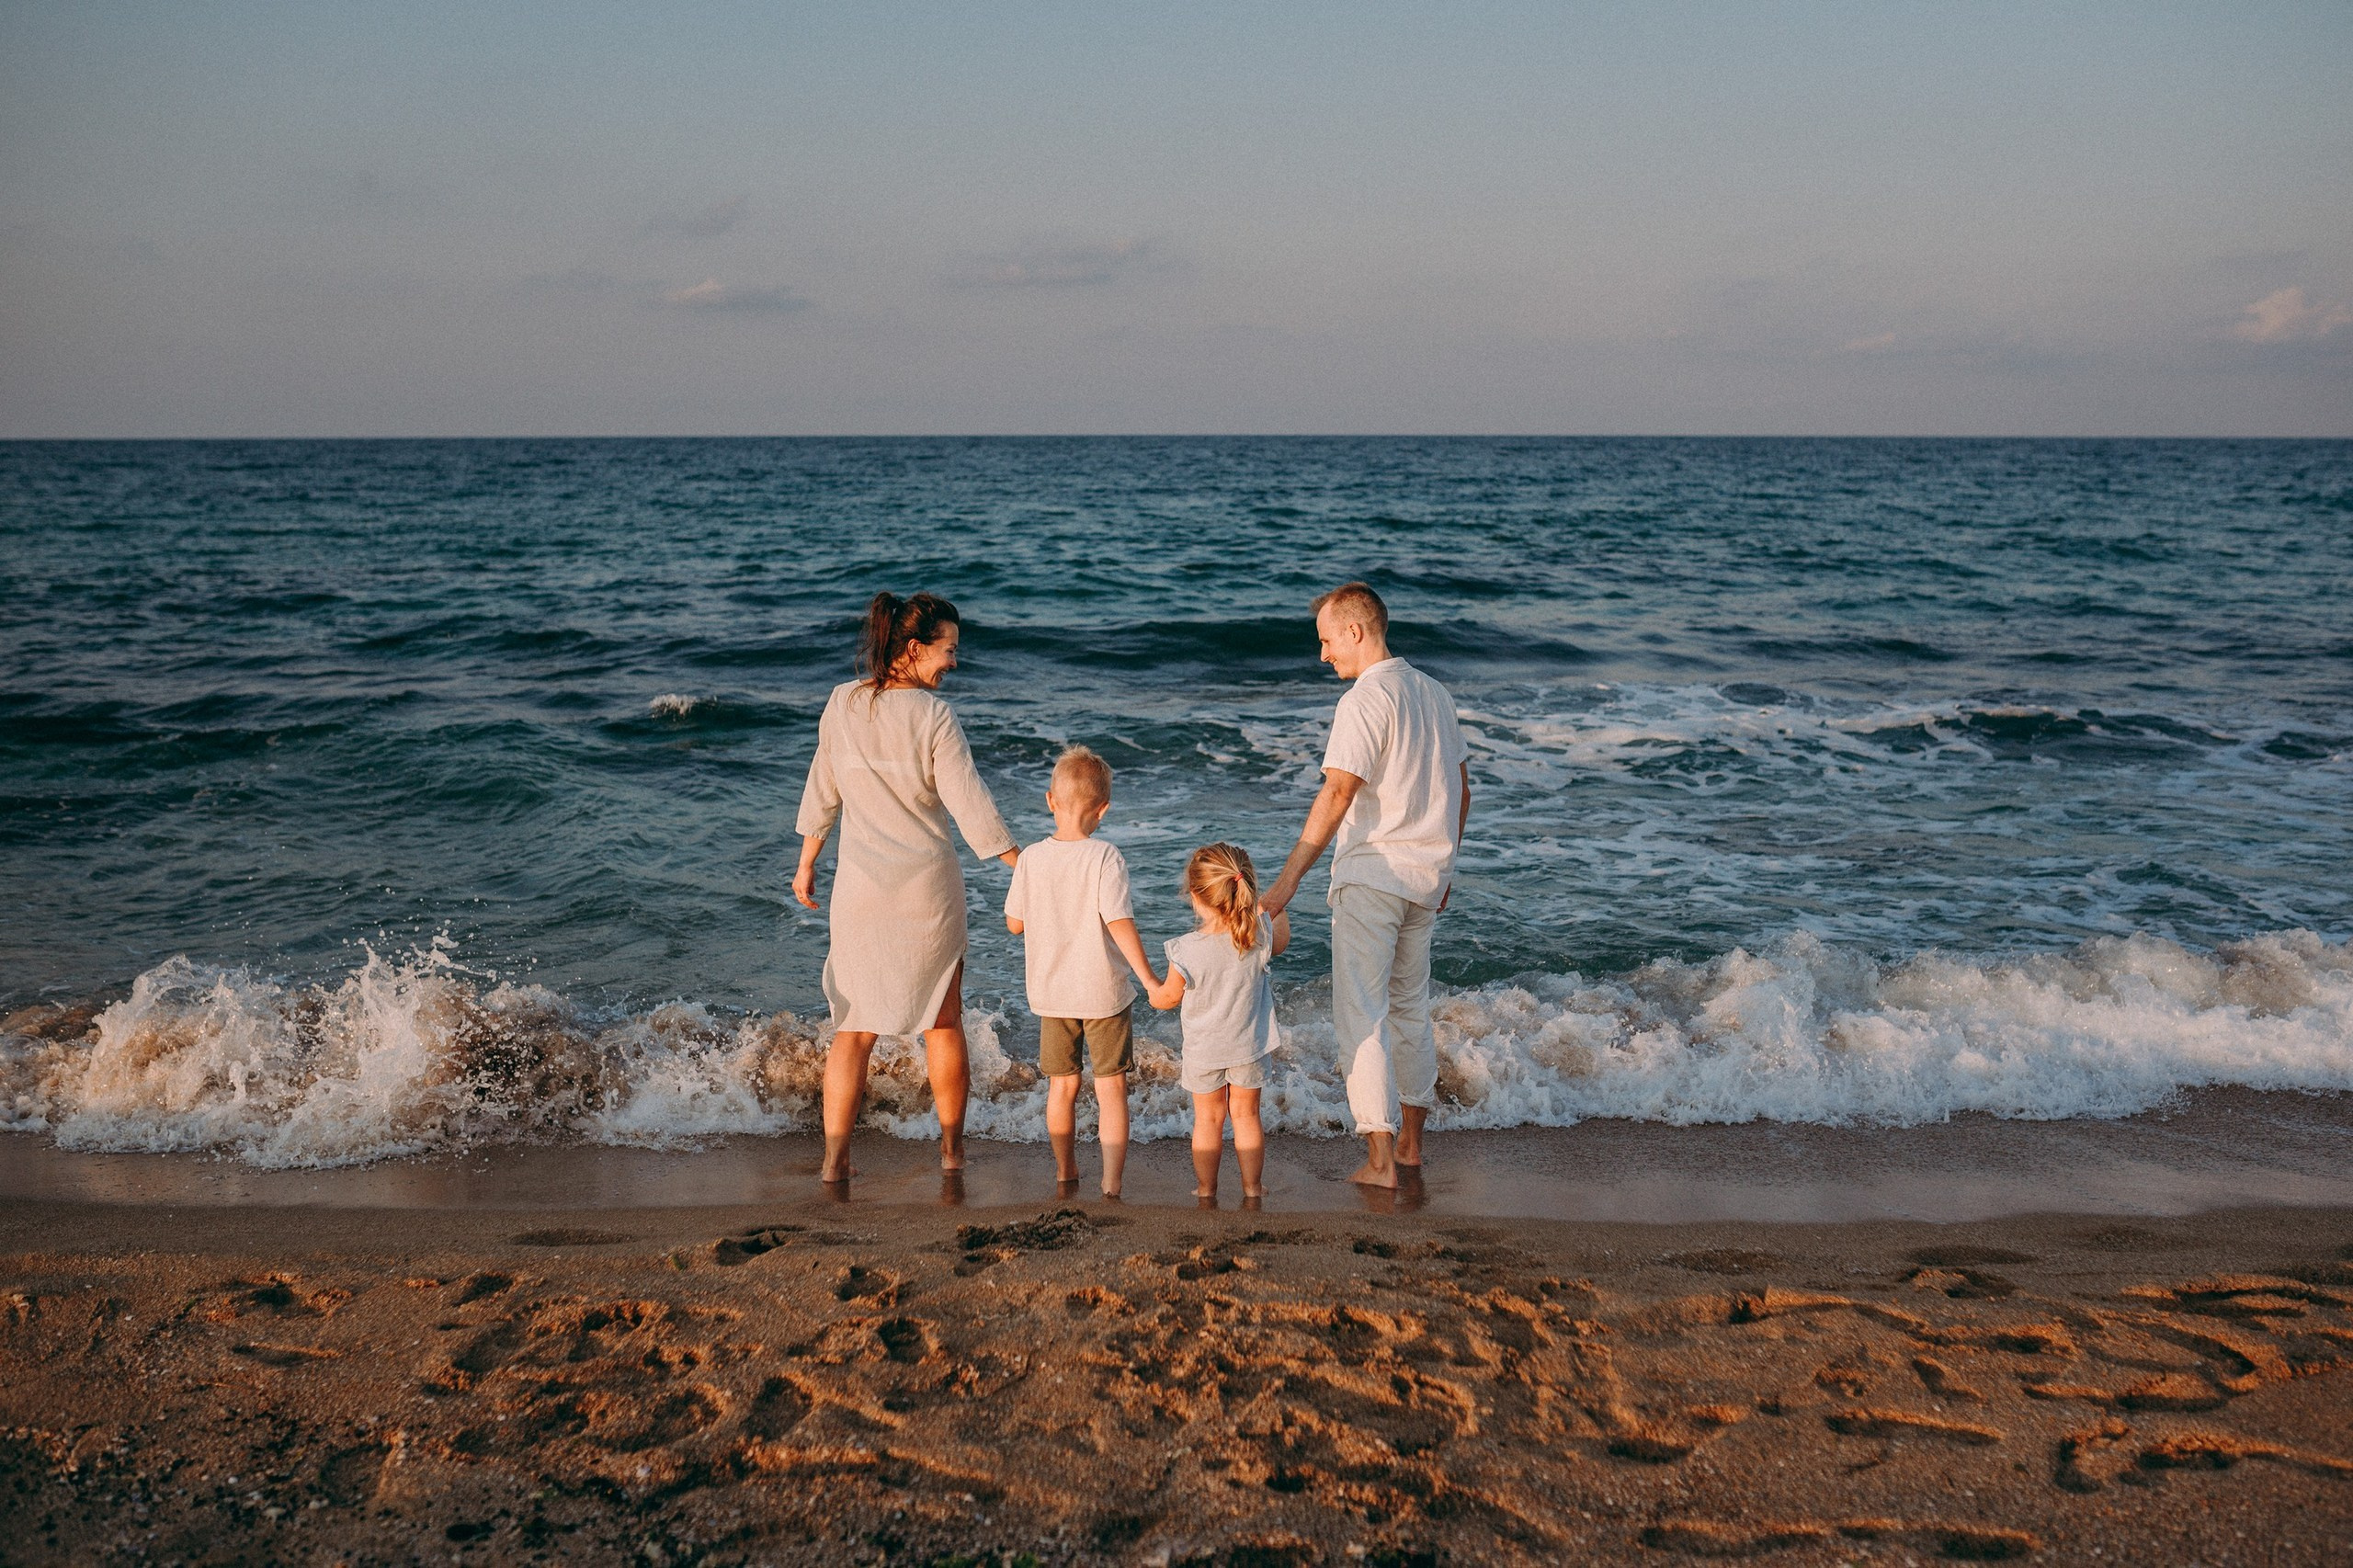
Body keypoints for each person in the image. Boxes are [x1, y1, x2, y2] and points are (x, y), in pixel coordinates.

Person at [792, 591, 1017, 1184]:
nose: (953, 662)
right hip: (925, 892)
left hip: (860, 891)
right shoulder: (935, 717)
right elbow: (971, 807)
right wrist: (1027, 864)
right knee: (942, 1022)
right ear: (914, 648)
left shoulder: (842, 703)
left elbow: (823, 786)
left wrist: (807, 859)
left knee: (853, 1027)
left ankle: (835, 1161)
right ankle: (950, 1153)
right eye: (948, 651)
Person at [1260, 582, 1470, 1189]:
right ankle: (1408, 1149)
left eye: (1326, 640)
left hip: (1374, 876)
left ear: (1355, 630)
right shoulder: (1434, 693)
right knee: (1409, 1011)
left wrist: (1285, 882)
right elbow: (1462, 788)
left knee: (1363, 1016)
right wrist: (1446, 866)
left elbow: (1337, 792)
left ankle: (1378, 1162)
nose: (1323, 655)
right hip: (1426, 880)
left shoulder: (1364, 700)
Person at [1003, 744, 1157, 1198]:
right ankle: (1111, 1183)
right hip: (1104, 993)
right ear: (1103, 810)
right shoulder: (1105, 856)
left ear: (1050, 800)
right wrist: (1149, 979)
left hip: (1053, 995)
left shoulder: (1031, 857)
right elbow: (1119, 922)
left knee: (1062, 1088)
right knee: (1111, 1091)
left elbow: (1014, 925)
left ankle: (1065, 1170)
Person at [1149, 843, 1289, 1203]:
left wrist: (1150, 989)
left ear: (1195, 896)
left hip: (1205, 1051)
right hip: (1249, 1047)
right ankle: (1252, 1188)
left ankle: (1207, 1189)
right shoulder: (1257, 934)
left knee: (1208, 1121)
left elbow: (1168, 998)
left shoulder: (1186, 949)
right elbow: (1283, 938)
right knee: (1247, 1117)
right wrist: (1270, 905)